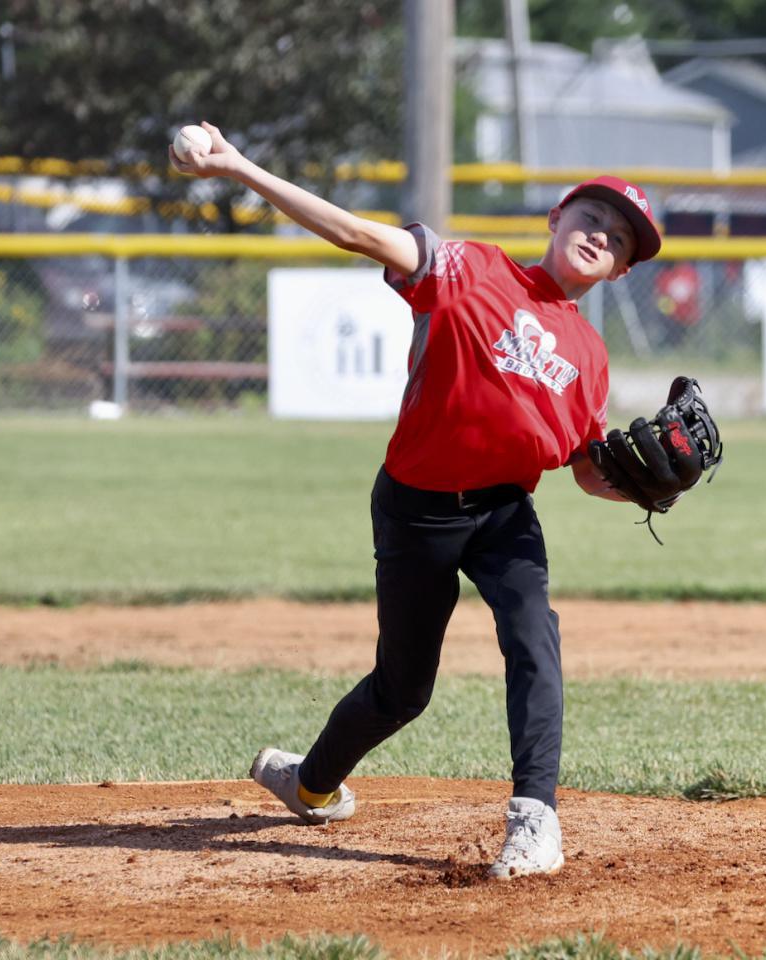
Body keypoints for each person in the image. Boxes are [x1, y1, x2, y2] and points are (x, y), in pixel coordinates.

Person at [170, 122, 662, 879]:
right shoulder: (468, 268)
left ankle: (536, 821)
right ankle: (310, 782)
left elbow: (582, 468)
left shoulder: (589, 358)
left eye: (621, 239)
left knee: (535, 639)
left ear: (623, 270)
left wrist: (644, 485)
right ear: (556, 221)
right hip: (415, 508)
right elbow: (352, 232)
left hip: (502, 514)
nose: (603, 236)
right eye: (592, 218)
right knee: (402, 690)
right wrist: (238, 166)